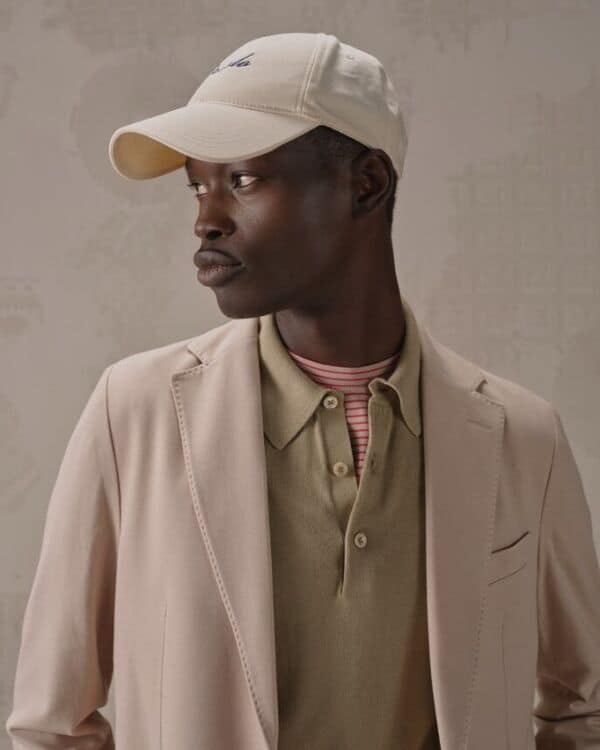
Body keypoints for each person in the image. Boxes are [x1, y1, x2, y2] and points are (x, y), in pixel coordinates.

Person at [6, 31, 600, 750]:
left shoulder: (521, 438)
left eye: (243, 180)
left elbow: (583, 713)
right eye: (197, 184)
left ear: (366, 184)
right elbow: (50, 725)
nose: (206, 219)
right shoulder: (134, 413)